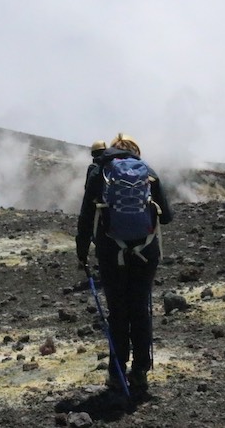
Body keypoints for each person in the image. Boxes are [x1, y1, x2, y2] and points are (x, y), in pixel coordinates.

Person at [76, 133, 173, 396]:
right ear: (135, 152)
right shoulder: (149, 173)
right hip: (145, 251)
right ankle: (140, 372)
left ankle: (116, 373)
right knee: (140, 308)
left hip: (111, 252)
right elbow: (167, 217)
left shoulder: (100, 172)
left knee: (118, 311)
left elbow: (86, 215)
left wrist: (82, 252)